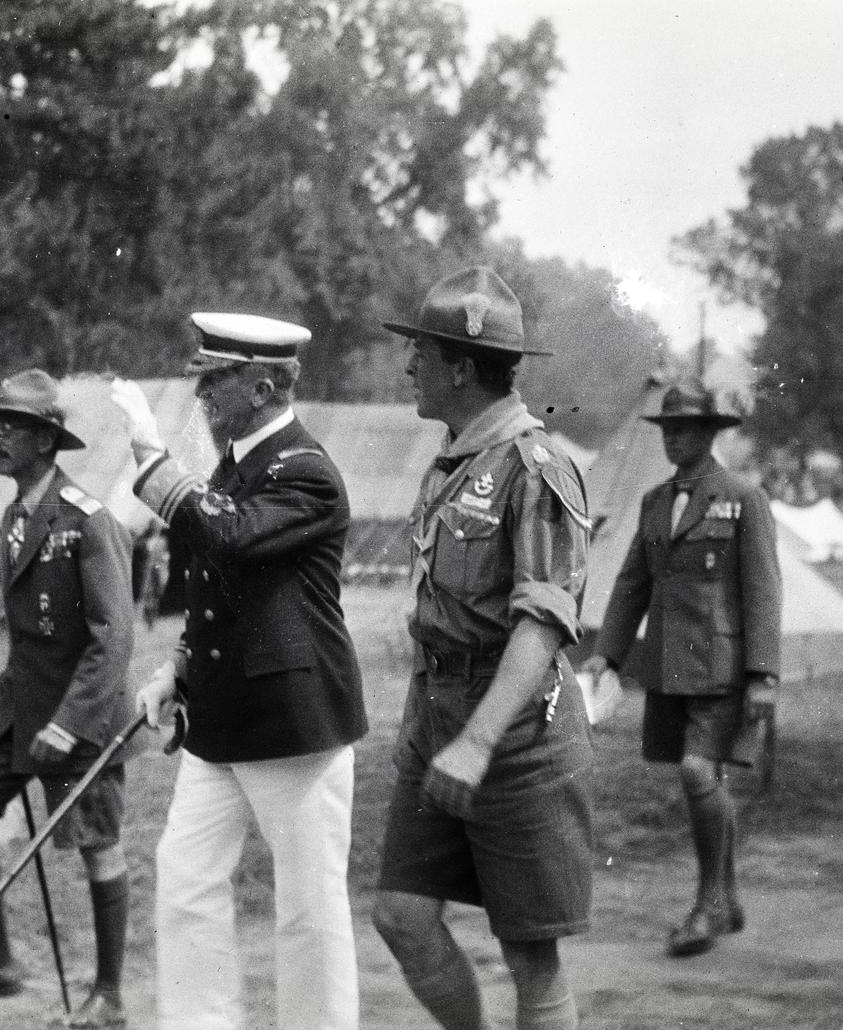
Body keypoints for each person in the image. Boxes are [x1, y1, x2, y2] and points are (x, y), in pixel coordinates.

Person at [109, 314, 368, 1030]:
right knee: (186, 885)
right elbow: (225, 591)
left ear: (262, 385)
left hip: (294, 723)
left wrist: (149, 457)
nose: (201, 394)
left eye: (213, 379)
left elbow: (227, 533)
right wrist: (181, 666)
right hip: (221, 719)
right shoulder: (237, 467)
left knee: (308, 911)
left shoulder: (306, 471)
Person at [371, 266, 594, 1030]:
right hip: (441, 720)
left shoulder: (534, 467)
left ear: (461, 368)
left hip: (515, 733)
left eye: (422, 356)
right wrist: (429, 728)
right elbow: (439, 613)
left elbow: (544, 623)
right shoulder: (453, 463)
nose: (410, 369)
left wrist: (476, 741)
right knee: (401, 914)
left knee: (531, 956)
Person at [0, 369, 137, 1028]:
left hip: (84, 711)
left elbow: (115, 638)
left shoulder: (87, 521)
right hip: (22, 703)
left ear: (47, 441)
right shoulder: (16, 515)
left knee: (98, 845)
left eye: (9, 427)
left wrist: (72, 723)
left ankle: (108, 997)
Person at [581, 379, 781, 959]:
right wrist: (608, 653)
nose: (675, 439)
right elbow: (632, 583)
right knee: (702, 778)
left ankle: (711, 901)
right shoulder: (653, 502)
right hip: (670, 669)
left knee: (699, 773)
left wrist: (764, 677)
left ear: (711, 434)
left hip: (724, 667)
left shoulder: (744, 497)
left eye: (687, 429)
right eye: (668, 429)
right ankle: (729, 898)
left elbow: (764, 592)